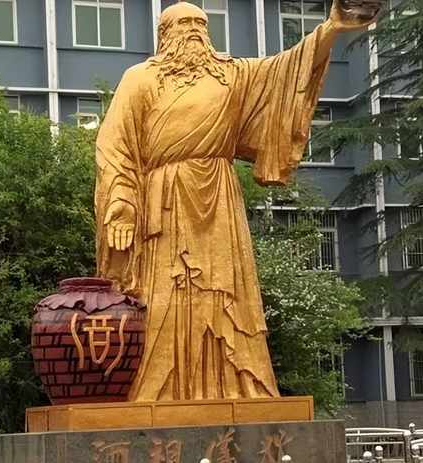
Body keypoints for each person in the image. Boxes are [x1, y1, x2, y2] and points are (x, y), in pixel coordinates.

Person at [94, 0, 380, 402]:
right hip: (165, 199)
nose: (192, 30)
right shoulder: (140, 79)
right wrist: (121, 204)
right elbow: (114, 147)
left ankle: (238, 386)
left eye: (199, 23)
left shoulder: (232, 74)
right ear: (163, 34)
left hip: (219, 197)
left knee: (227, 294)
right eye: (182, 23)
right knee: (165, 296)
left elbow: (288, 70)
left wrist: (330, 28)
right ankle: (161, 392)